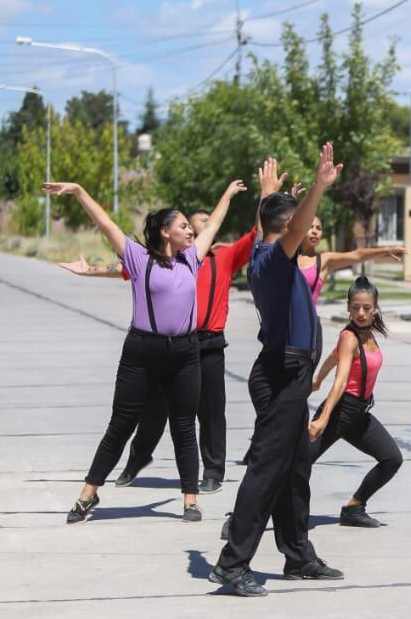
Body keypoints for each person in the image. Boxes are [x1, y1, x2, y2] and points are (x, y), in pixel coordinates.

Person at [55, 166, 277, 493]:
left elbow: (246, 229)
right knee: (147, 414)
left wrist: (248, 196)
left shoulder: (214, 257)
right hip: (156, 348)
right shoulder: (151, 261)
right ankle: (129, 464)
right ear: (167, 232)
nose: (194, 230)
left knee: (202, 416)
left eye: (196, 225)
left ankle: (205, 481)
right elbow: (116, 250)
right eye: (187, 224)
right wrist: (88, 265)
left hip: (203, 345)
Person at [209, 143, 346, 597]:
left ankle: (297, 555)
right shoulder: (273, 261)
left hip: (286, 375)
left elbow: (271, 223)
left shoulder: (265, 257)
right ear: (286, 228)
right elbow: (293, 225)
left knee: (296, 469)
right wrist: (320, 186)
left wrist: (268, 194)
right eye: (297, 226)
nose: (306, 233)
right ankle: (232, 564)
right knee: (267, 469)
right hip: (282, 376)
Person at [308, 276, 403, 528]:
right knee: (296, 464)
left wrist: (317, 378)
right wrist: (323, 418)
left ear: (375, 308)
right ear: (348, 307)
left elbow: (333, 355)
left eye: (367, 308)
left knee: (391, 459)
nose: (361, 313)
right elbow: (340, 383)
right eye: (355, 307)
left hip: (359, 415)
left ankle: (354, 507)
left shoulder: (368, 334)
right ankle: (245, 517)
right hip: (339, 412)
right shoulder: (350, 337)